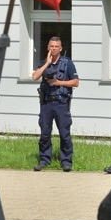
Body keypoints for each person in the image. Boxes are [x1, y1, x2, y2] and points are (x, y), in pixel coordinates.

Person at [31, 37, 79, 172]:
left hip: (61, 103)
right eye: (51, 46)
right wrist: (47, 63)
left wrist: (59, 83)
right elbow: (35, 77)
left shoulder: (67, 63)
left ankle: (66, 161)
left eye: (56, 46)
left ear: (60, 48)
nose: (53, 49)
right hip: (46, 103)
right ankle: (44, 159)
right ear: (48, 47)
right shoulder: (44, 63)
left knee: (64, 133)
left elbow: (75, 82)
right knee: (45, 133)